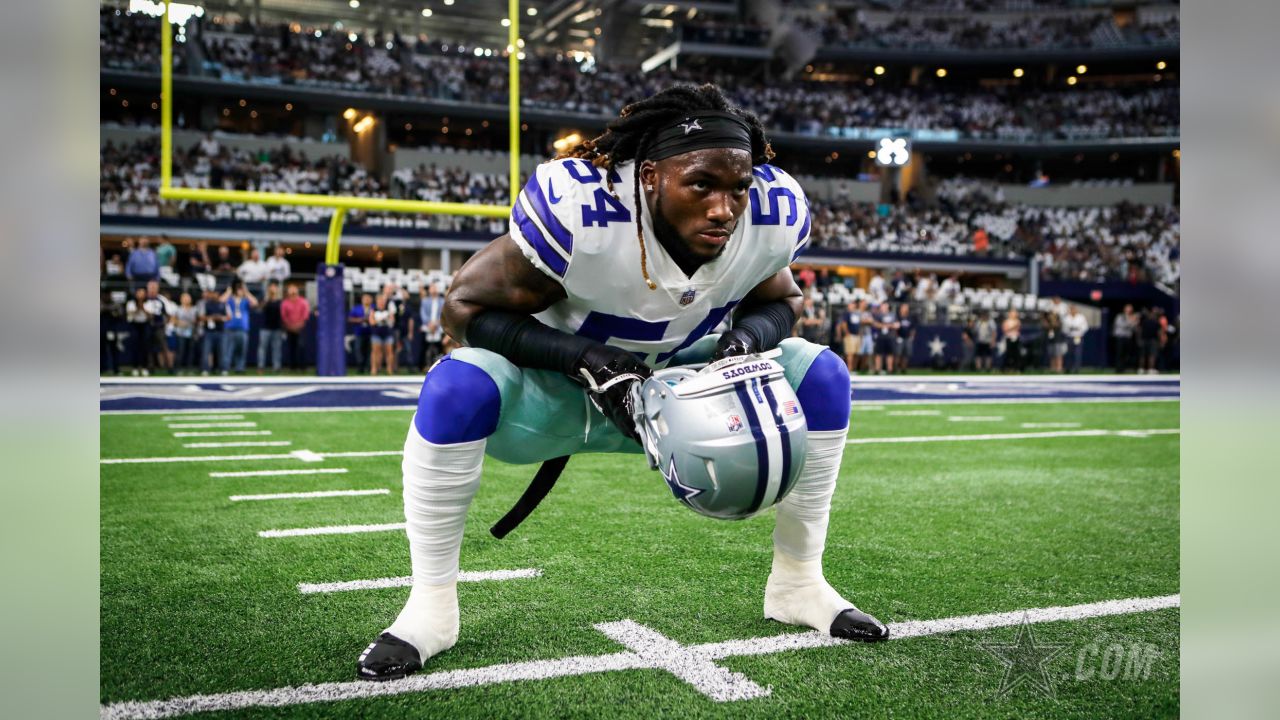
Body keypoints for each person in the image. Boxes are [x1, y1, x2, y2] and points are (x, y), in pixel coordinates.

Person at [357, 84, 887, 682]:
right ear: (652, 175)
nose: (725, 208)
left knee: (822, 374)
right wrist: (586, 359)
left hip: (692, 387)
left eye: (738, 188)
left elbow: (784, 300)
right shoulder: (587, 213)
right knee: (457, 387)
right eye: (702, 185)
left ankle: (798, 582)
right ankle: (430, 608)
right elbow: (462, 310)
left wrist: (745, 344)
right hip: (560, 393)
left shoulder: (766, 218)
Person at [221, 281, 257, 374]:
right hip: (230, 327)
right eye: (239, 289)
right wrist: (229, 291)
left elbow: (255, 302)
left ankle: (239, 368)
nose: (240, 291)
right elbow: (221, 300)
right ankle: (226, 368)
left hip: (242, 328)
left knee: (241, 350)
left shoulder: (245, 300)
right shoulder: (230, 300)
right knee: (228, 350)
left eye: (241, 289)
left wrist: (246, 291)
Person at [280, 283, 311, 371]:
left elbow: (305, 315)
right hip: (289, 328)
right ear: (288, 293)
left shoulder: (303, 301)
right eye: (291, 291)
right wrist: (290, 326)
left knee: (302, 346)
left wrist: (298, 325)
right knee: (291, 347)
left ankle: (303, 366)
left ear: (297, 292)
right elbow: (284, 316)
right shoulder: (285, 303)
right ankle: (292, 367)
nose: (293, 293)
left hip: (300, 328)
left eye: (294, 291)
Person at [197, 289, 227, 375]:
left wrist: (220, 318)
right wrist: (211, 317)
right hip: (209, 331)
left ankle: (223, 369)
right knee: (206, 351)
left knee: (222, 351)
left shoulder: (223, 304)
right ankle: (205, 369)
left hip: (221, 331)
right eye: (213, 294)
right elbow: (201, 317)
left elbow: (228, 317)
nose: (214, 295)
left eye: (216, 294)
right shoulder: (206, 304)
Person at [257, 282, 284, 373]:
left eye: (274, 287)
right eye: (271, 287)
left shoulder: (280, 301)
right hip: (265, 327)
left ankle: (276, 367)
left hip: (277, 328)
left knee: (276, 348)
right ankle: (261, 366)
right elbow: (260, 307)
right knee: (262, 348)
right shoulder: (265, 299)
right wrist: (267, 297)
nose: (273, 289)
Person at [418, 283, 445, 371]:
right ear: (429, 290)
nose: (433, 290)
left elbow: (442, 314)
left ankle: (441, 365)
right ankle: (422, 366)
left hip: (438, 326)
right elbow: (423, 314)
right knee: (424, 346)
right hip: (427, 326)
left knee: (439, 346)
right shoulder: (425, 301)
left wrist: (436, 324)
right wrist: (429, 324)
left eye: (435, 288)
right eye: (432, 288)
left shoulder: (442, 301)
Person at [124, 287, 151, 375]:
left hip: (145, 325)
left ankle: (144, 367)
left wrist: (142, 308)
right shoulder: (131, 303)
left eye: (143, 293)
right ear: (136, 294)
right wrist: (137, 308)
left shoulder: (149, 303)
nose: (141, 295)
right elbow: (130, 315)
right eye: (139, 293)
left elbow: (151, 316)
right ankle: (135, 367)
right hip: (134, 325)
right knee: (134, 346)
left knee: (145, 347)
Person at [369, 294, 397, 375]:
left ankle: (389, 369)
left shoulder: (389, 310)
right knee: (375, 352)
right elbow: (372, 322)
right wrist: (381, 319)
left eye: (383, 301)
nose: (381, 302)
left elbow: (392, 322)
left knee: (389, 352)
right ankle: (374, 369)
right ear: (377, 301)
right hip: (376, 333)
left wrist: (389, 318)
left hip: (387, 333)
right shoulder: (373, 310)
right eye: (379, 301)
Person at [171, 292, 199, 373]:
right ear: (181, 299)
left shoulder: (194, 309)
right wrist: (180, 323)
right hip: (180, 333)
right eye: (184, 298)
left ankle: (189, 369)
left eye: (188, 298)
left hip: (191, 333)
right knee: (180, 351)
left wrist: (194, 322)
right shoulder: (178, 309)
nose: (186, 300)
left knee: (191, 352)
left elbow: (198, 320)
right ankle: (177, 369)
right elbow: (173, 320)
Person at [348, 293, 373, 372]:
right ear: (362, 300)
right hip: (359, 332)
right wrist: (359, 320)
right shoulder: (356, 308)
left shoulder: (373, 308)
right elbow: (350, 319)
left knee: (369, 351)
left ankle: (368, 367)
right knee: (358, 349)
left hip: (371, 332)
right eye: (365, 298)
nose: (366, 300)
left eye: (368, 299)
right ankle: (360, 366)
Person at [835, 300, 861, 373]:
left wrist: (859, 332)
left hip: (856, 335)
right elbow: (844, 323)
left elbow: (858, 324)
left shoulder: (856, 314)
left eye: (853, 304)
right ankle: (849, 369)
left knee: (856, 353)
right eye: (851, 304)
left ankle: (854, 368)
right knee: (850, 353)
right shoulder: (846, 313)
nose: (852, 306)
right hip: (850, 335)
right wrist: (847, 333)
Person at [871, 302, 898, 375]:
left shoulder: (892, 315)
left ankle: (890, 369)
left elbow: (897, 325)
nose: (883, 307)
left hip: (890, 336)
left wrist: (886, 325)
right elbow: (875, 324)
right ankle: (877, 369)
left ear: (887, 307)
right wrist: (888, 325)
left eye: (885, 306)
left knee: (890, 354)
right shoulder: (878, 315)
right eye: (882, 306)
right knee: (878, 353)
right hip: (880, 336)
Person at [1112, 304, 1137, 373]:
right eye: (1128, 308)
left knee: (1126, 354)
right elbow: (1121, 325)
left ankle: (1123, 368)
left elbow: (1133, 327)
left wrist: (1134, 322)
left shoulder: (1132, 317)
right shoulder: (1120, 316)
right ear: (1125, 309)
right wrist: (1131, 321)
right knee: (1119, 353)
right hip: (1120, 337)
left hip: (1128, 337)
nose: (1129, 310)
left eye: (1130, 309)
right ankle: (1118, 369)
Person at [1063, 304, 1088, 372]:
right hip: (1069, 337)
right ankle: (1068, 368)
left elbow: (1085, 327)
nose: (1073, 311)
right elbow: (1064, 328)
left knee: (1077, 353)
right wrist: (1070, 329)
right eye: (1071, 309)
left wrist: (1079, 330)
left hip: (1078, 336)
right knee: (1069, 353)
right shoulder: (1066, 317)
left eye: (1074, 309)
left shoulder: (1081, 317)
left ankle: (1077, 368)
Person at [894, 302, 915, 374]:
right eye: (904, 307)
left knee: (906, 354)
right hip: (900, 337)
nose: (906, 309)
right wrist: (897, 337)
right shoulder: (898, 317)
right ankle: (895, 368)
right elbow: (895, 328)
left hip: (907, 338)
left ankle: (903, 369)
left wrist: (912, 337)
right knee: (898, 354)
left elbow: (913, 328)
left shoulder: (910, 317)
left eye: (907, 307)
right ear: (901, 308)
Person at [1043, 306, 1065, 374]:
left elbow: (1056, 325)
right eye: (1050, 315)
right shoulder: (1047, 322)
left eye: (1052, 314)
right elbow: (1045, 325)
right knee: (1051, 355)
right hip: (1051, 341)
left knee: (1058, 355)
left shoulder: (1058, 321)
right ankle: (1052, 368)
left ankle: (1059, 368)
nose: (1051, 316)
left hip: (1057, 340)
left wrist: (1052, 320)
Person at [1002, 309, 1022, 373]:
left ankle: (1016, 368)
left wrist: (1011, 328)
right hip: (1009, 338)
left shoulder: (1017, 321)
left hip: (1016, 338)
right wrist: (1013, 327)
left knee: (1016, 354)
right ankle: (1007, 367)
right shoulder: (1006, 321)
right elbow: (1005, 330)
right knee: (1008, 353)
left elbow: (1018, 328)